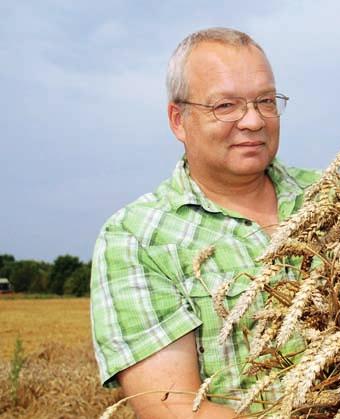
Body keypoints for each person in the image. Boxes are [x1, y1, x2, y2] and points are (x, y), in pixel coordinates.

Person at [90, 27, 320, 418]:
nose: (253, 121)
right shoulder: (137, 238)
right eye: (225, 106)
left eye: (265, 101)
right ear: (178, 120)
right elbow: (174, 406)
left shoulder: (335, 196)